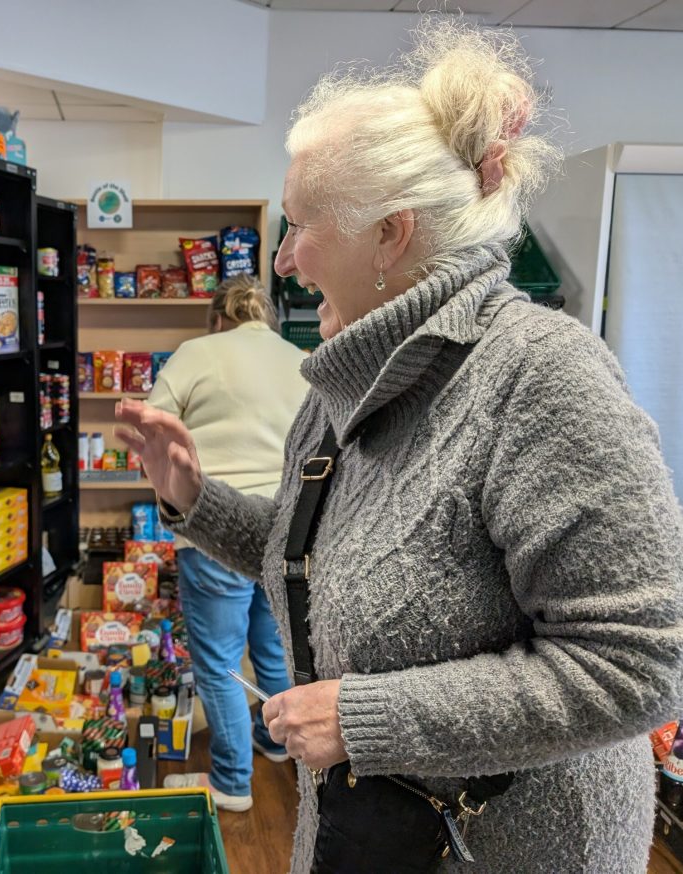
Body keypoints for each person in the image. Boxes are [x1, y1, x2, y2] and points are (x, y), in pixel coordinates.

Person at [116, 18, 683, 874]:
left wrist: (365, 718)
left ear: (392, 234)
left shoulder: (540, 377)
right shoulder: (340, 379)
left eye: (301, 225)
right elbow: (315, 562)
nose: (283, 259)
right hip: (365, 831)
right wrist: (195, 502)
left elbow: (640, 664)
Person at [147, 274, 309, 812]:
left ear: (218, 318)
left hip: (217, 526)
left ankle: (232, 781)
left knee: (218, 663)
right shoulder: (298, 358)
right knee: (272, 648)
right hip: (285, 531)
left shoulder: (198, 352)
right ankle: (276, 743)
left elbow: (154, 425)